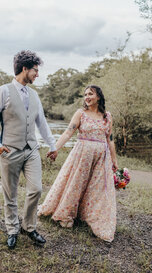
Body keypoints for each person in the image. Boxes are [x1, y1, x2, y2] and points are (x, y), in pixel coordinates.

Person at [0, 50, 57, 249]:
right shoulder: (3, 91)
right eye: (35, 70)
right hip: (10, 150)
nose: (37, 74)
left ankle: (29, 227)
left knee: (36, 189)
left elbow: (42, 123)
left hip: (31, 149)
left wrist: (52, 145)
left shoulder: (34, 95)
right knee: (11, 194)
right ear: (24, 68)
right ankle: (12, 229)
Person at [39, 85, 118, 242]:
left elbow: (110, 139)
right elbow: (69, 132)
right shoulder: (80, 113)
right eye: (85, 94)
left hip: (101, 157)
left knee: (97, 189)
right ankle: (66, 215)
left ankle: (90, 216)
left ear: (99, 97)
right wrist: (55, 148)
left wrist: (114, 160)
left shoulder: (107, 117)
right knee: (76, 184)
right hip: (82, 155)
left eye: (90, 94)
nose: (87, 97)